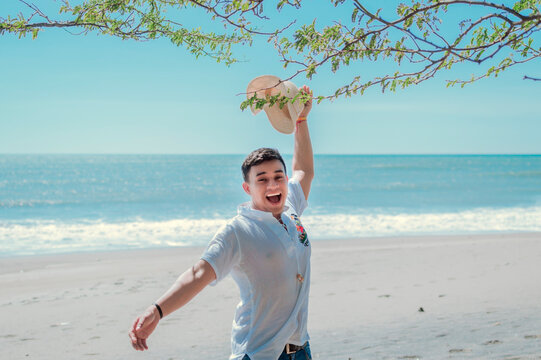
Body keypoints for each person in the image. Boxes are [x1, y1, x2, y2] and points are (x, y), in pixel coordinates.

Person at [129, 86, 314, 360]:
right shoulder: (238, 231)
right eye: (261, 179)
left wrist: (300, 121)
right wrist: (157, 311)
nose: (273, 184)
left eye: (278, 176)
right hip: (259, 353)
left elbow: (304, 170)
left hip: (301, 350)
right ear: (247, 188)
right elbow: (198, 274)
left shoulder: (291, 210)